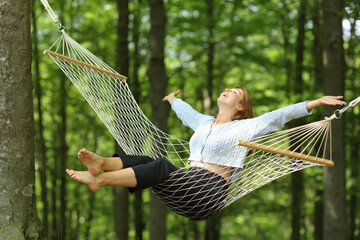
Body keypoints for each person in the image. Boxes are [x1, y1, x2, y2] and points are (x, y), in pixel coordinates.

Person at [66, 88, 346, 220]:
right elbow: (188, 114)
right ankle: (101, 164)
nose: (227, 90)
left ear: (240, 107)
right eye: (226, 89)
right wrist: (173, 100)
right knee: (147, 161)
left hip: (208, 193)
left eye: (234, 92)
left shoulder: (248, 126)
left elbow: (280, 114)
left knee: (161, 166)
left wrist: (315, 103)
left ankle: (100, 180)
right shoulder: (203, 123)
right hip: (188, 184)